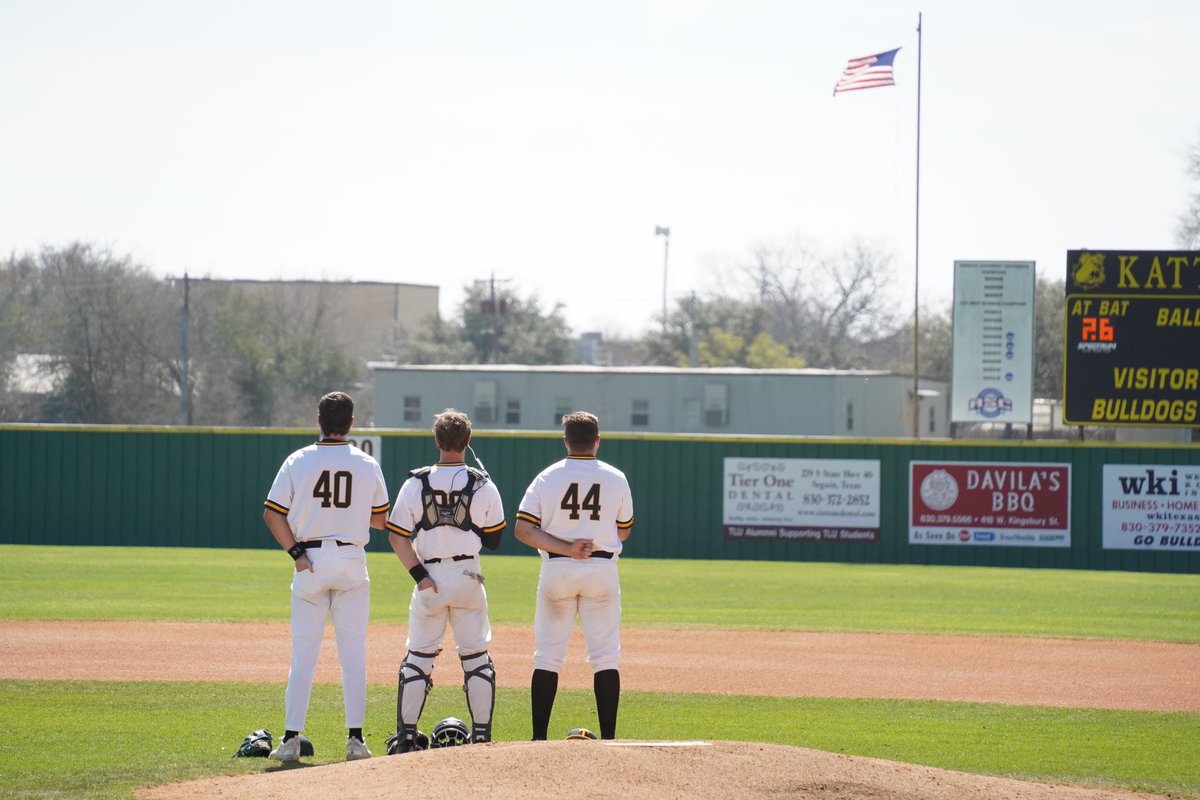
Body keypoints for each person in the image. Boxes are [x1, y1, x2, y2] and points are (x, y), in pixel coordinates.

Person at [262, 391, 391, 762]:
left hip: (310, 560)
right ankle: (355, 741)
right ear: (352, 423)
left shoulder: (298, 460)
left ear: (319, 421)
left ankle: (290, 740)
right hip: (351, 558)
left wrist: (296, 553)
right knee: (353, 655)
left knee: (303, 655)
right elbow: (381, 520)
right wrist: (348, 516)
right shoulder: (367, 463)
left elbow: (273, 514)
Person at [384, 409, 507, 753]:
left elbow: (397, 537)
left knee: (419, 658)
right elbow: (496, 540)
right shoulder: (483, 484)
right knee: (476, 658)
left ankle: (407, 737)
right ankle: (482, 736)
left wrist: (419, 575)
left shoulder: (414, 483)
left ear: (437, 441)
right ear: (468, 442)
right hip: (469, 575)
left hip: (431, 577)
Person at [514, 411, 634, 740]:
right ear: (597, 441)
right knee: (605, 655)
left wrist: (568, 548)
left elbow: (523, 530)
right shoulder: (616, 477)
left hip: (558, 569)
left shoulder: (546, 477)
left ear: (565, 440)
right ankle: (609, 738)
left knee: (548, 655)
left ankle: (539, 738)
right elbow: (623, 532)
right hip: (601, 569)